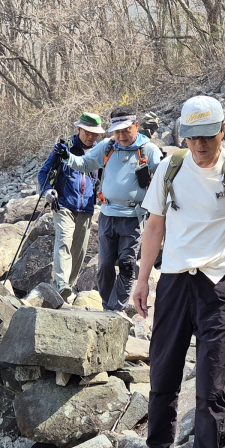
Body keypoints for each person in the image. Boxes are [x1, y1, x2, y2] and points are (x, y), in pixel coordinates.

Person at [114, 95, 225, 448]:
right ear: (183, 135)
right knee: (163, 369)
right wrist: (142, 280)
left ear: (223, 131)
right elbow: (155, 226)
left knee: (211, 382)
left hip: (219, 285)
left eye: (207, 136)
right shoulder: (171, 167)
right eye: (192, 136)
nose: (199, 144)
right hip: (174, 281)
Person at [59, 106, 163, 312]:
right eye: (117, 132)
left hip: (134, 217)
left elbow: (163, 179)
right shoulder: (107, 146)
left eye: (126, 130)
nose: (121, 136)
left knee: (127, 264)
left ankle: (117, 308)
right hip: (107, 215)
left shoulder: (149, 150)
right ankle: (108, 306)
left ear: (136, 126)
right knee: (105, 265)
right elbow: (84, 164)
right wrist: (65, 156)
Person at [39, 113, 105, 300]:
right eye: (88, 132)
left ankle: (67, 287)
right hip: (63, 204)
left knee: (79, 250)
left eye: (95, 133)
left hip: (87, 207)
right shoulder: (64, 148)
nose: (91, 136)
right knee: (64, 241)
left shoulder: (100, 152)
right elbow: (43, 172)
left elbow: (104, 177)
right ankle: (61, 283)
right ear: (79, 129)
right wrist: (48, 190)